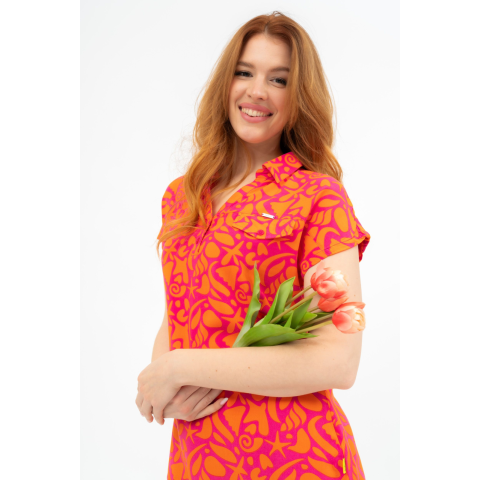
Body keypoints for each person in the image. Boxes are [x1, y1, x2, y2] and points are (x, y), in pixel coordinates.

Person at [136, 11, 371, 480]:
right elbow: (178, 314)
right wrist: (160, 384)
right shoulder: (182, 196)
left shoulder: (318, 197)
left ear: (298, 97)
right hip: (199, 457)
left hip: (295, 457)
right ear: (226, 82)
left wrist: (180, 367)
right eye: (244, 72)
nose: (257, 90)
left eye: (278, 79)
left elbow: (339, 361)